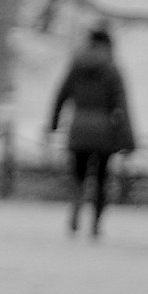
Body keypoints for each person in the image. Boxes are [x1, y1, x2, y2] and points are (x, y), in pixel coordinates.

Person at [50, 26, 133, 237]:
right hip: (105, 130)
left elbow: (61, 95)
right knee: (102, 178)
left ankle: (77, 204)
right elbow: (122, 105)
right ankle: (96, 222)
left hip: (79, 126)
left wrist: (53, 123)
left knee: (78, 174)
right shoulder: (112, 69)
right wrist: (128, 137)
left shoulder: (77, 65)